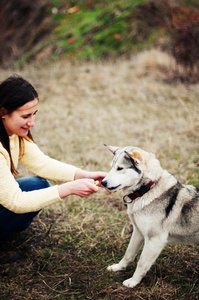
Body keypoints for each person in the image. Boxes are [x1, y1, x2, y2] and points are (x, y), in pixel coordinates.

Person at [0, 74, 107, 242]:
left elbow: (42, 164)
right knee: (28, 195)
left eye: (34, 114)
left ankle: (6, 234)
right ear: (3, 112)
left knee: (38, 185)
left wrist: (84, 175)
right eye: (26, 116)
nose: (32, 123)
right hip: (11, 201)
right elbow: (16, 201)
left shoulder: (14, 134)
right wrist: (69, 189)